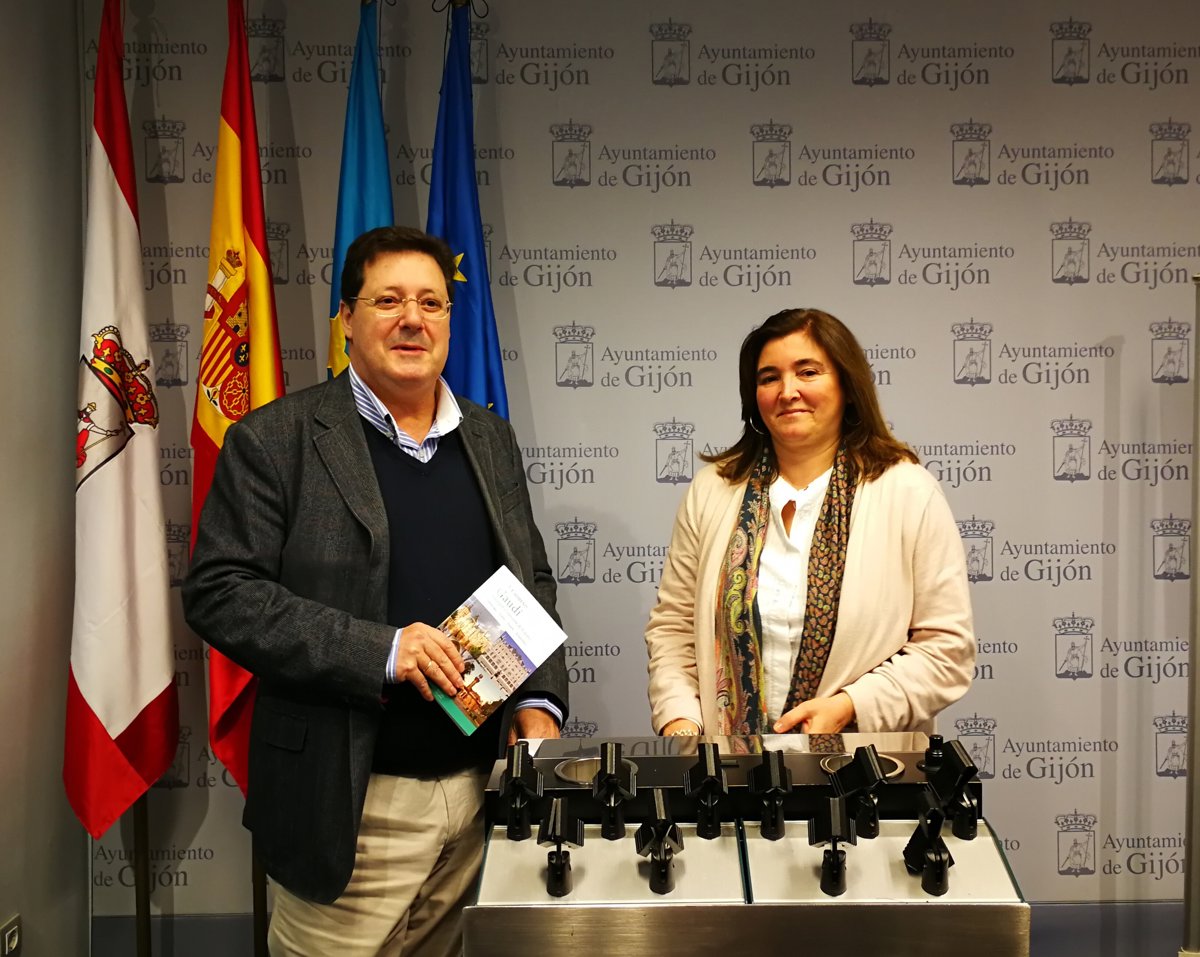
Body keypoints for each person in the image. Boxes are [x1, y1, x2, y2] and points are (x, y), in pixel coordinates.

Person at [183, 226, 567, 957]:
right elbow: (220, 592)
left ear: (449, 319)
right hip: (349, 803)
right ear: (346, 319)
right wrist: (383, 650)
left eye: (431, 302)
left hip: (478, 792)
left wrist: (539, 700)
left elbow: (531, 582)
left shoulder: (490, 438)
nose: (412, 319)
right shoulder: (275, 440)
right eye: (388, 300)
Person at [644, 308, 974, 738]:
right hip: (725, 769)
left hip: (863, 764)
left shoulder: (908, 491)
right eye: (769, 378)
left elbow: (946, 650)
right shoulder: (712, 490)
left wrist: (851, 707)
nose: (788, 391)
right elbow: (674, 630)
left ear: (847, 386)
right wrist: (680, 721)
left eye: (808, 372)